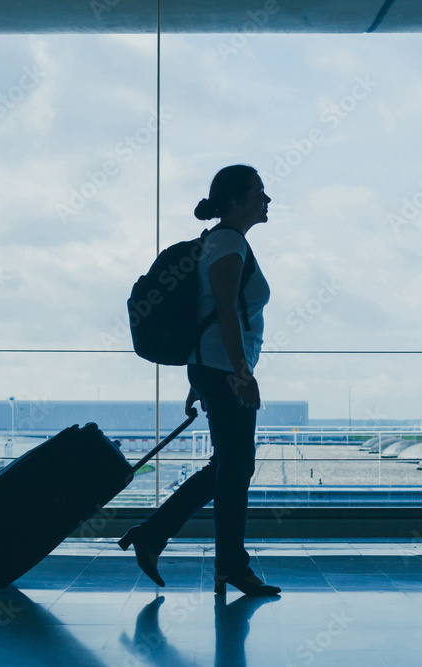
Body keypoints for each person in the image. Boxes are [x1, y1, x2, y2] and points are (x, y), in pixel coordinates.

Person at [119, 164, 280, 596]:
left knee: (227, 466)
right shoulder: (228, 242)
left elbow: (209, 311)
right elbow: (225, 310)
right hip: (224, 371)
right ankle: (230, 565)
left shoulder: (221, 241)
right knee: (236, 467)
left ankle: (155, 536)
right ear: (236, 202)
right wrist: (241, 373)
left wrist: (204, 375)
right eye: (259, 192)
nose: (266, 200)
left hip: (214, 369)